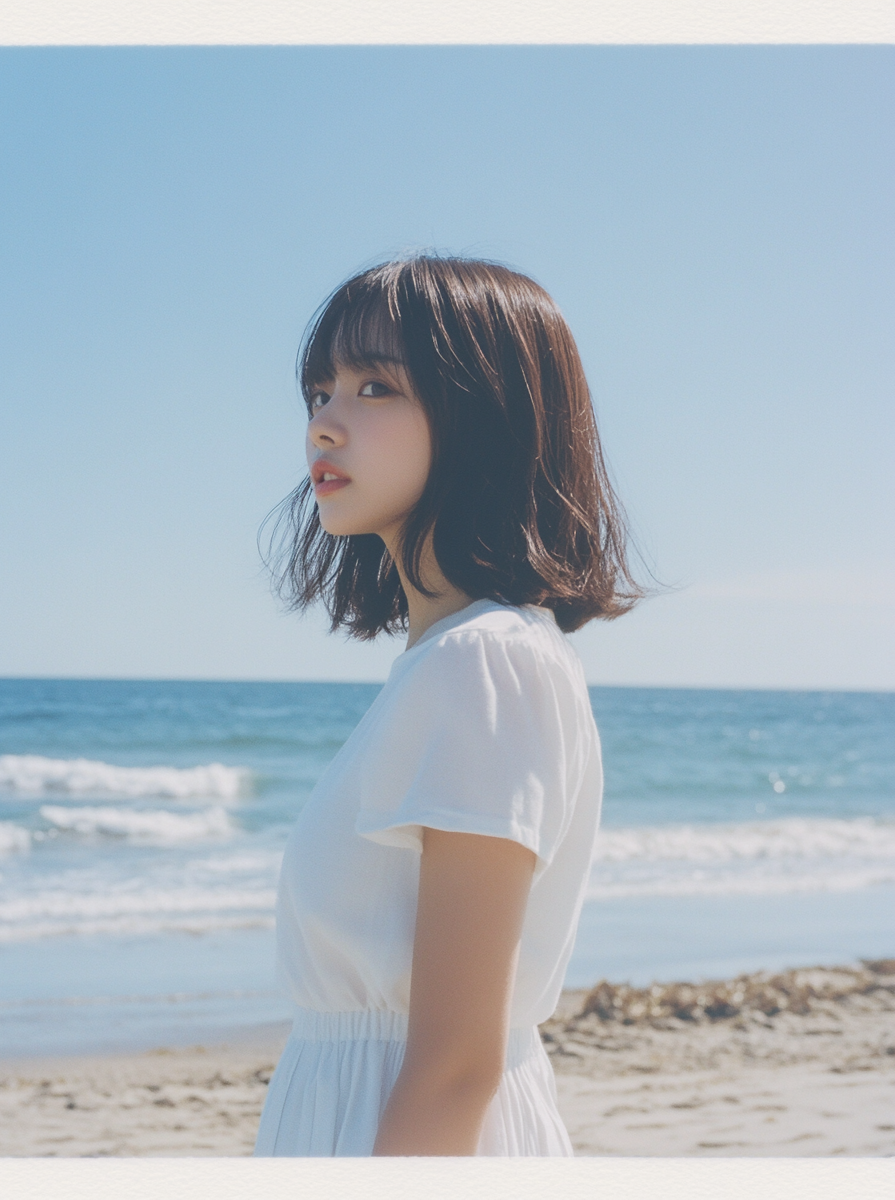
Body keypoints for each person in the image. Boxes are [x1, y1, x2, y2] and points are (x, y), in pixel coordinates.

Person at [254, 255, 642, 1157]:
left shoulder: (488, 663)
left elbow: (457, 1064)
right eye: (319, 392)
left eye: (375, 386)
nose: (324, 424)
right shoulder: (447, 663)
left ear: (483, 416)